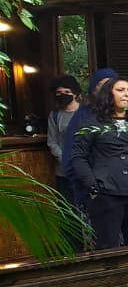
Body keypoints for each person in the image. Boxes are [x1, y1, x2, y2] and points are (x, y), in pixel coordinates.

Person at [70, 77, 128, 250]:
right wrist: (93, 186)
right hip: (107, 193)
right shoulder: (91, 124)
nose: (126, 94)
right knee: (107, 246)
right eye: (120, 90)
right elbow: (78, 157)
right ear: (108, 94)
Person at [62, 68, 119, 208]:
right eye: (102, 85)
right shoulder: (82, 117)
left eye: (111, 85)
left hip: (127, 194)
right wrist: (89, 189)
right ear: (93, 90)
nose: (107, 89)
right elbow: (71, 157)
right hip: (94, 196)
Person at [47, 75, 82, 205]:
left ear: (75, 93)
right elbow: (52, 142)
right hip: (64, 173)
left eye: (67, 92)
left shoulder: (87, 113)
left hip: (86, 172)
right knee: (67, 212)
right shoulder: (54, 116)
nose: (63, 95)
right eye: (59, 93)